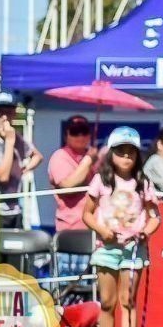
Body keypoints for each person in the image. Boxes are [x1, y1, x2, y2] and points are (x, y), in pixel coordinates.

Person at [82, 126, 160, 327]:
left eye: (131, 152)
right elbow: (87, 213)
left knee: (127, 301)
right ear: (111, 154)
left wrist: (144, 232)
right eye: (121, 151)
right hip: (106, 248)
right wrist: (102, 231)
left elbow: (155, 216)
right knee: (107, 302)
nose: (126, 157)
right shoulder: (101, 180)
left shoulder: (142, 182)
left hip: (133, 251)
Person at [0, 91, 42, 228]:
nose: (5, 117)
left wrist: (24, 168)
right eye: (0, 112)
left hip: (16, 209)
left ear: (15, 114)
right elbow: (2, 176)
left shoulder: (18, 138)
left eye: (9, 112)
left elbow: (38, 156)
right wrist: (9, 142)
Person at [49, 115, 98, 278]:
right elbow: (68, 186)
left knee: (92, 293)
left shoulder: (94, 158)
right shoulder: (59, 156)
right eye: (75, 132)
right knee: (68, 291)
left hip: (96, 234)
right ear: (66, 135)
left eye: (83, 132)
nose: (80, 136)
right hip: (71, 236)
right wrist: (88, 161)